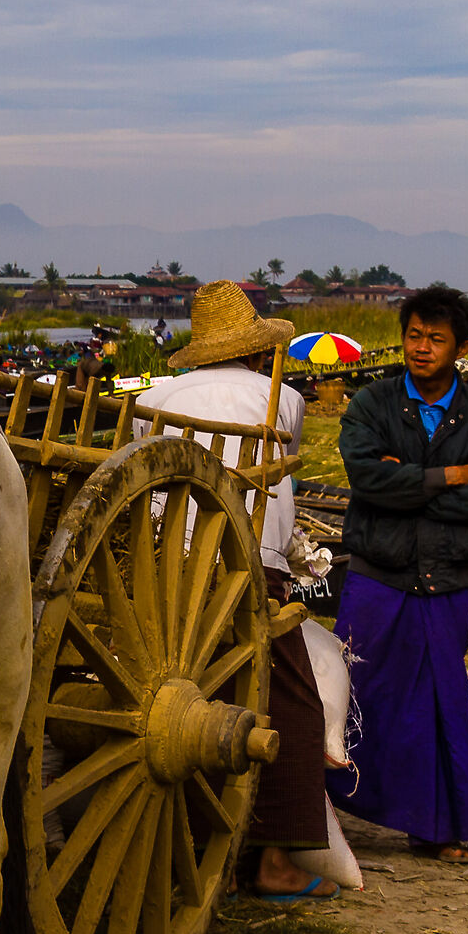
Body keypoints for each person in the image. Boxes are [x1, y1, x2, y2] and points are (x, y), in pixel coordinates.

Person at [133, 283, 333, 898]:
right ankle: (280, 862)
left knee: (181, 686)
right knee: (297, 701)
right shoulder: (285, 399)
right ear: (253, 349)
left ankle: (186, 838)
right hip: (251, 568)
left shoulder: (149, 401)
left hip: (165, 570)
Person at [329, 286, 468, 863]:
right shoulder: (372, 405)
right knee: (350, 696)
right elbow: (366, 479)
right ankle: (324, 814)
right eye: (414, 335)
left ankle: (435, 829)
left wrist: (406, 482)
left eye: (436, 338)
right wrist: (444, 477)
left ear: (460, 347)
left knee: (439, 705)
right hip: (377, 574)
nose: (421, 347)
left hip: (445, 580)